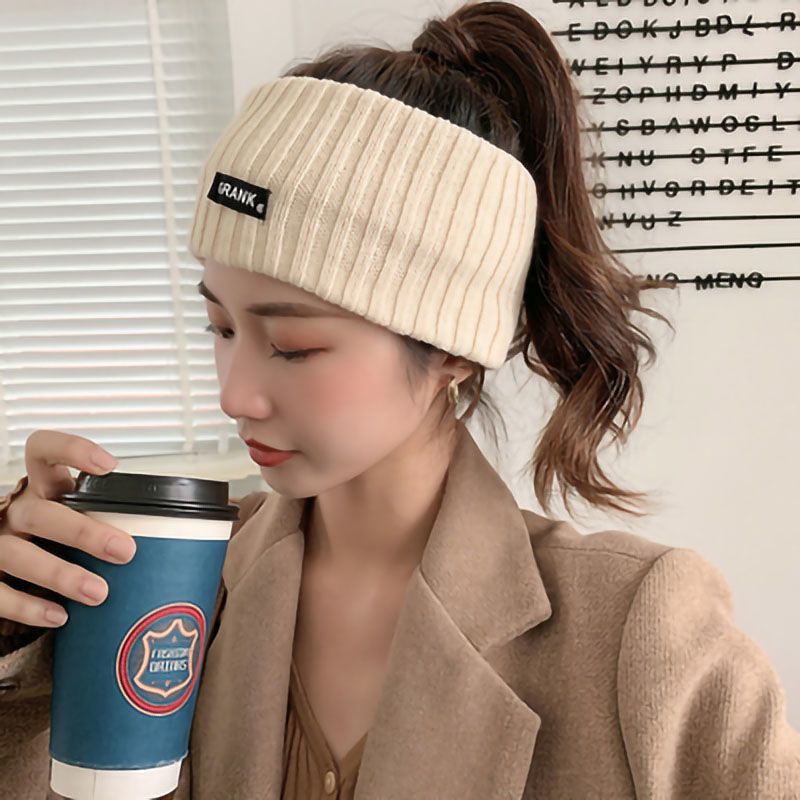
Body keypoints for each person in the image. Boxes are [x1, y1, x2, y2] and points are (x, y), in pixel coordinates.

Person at [1, 2, 799, 798]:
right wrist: (17, 626)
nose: (235, 394)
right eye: (221, 327)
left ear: (452, 348)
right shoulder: (173, 581)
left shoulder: (637, 632)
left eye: (293, 345)